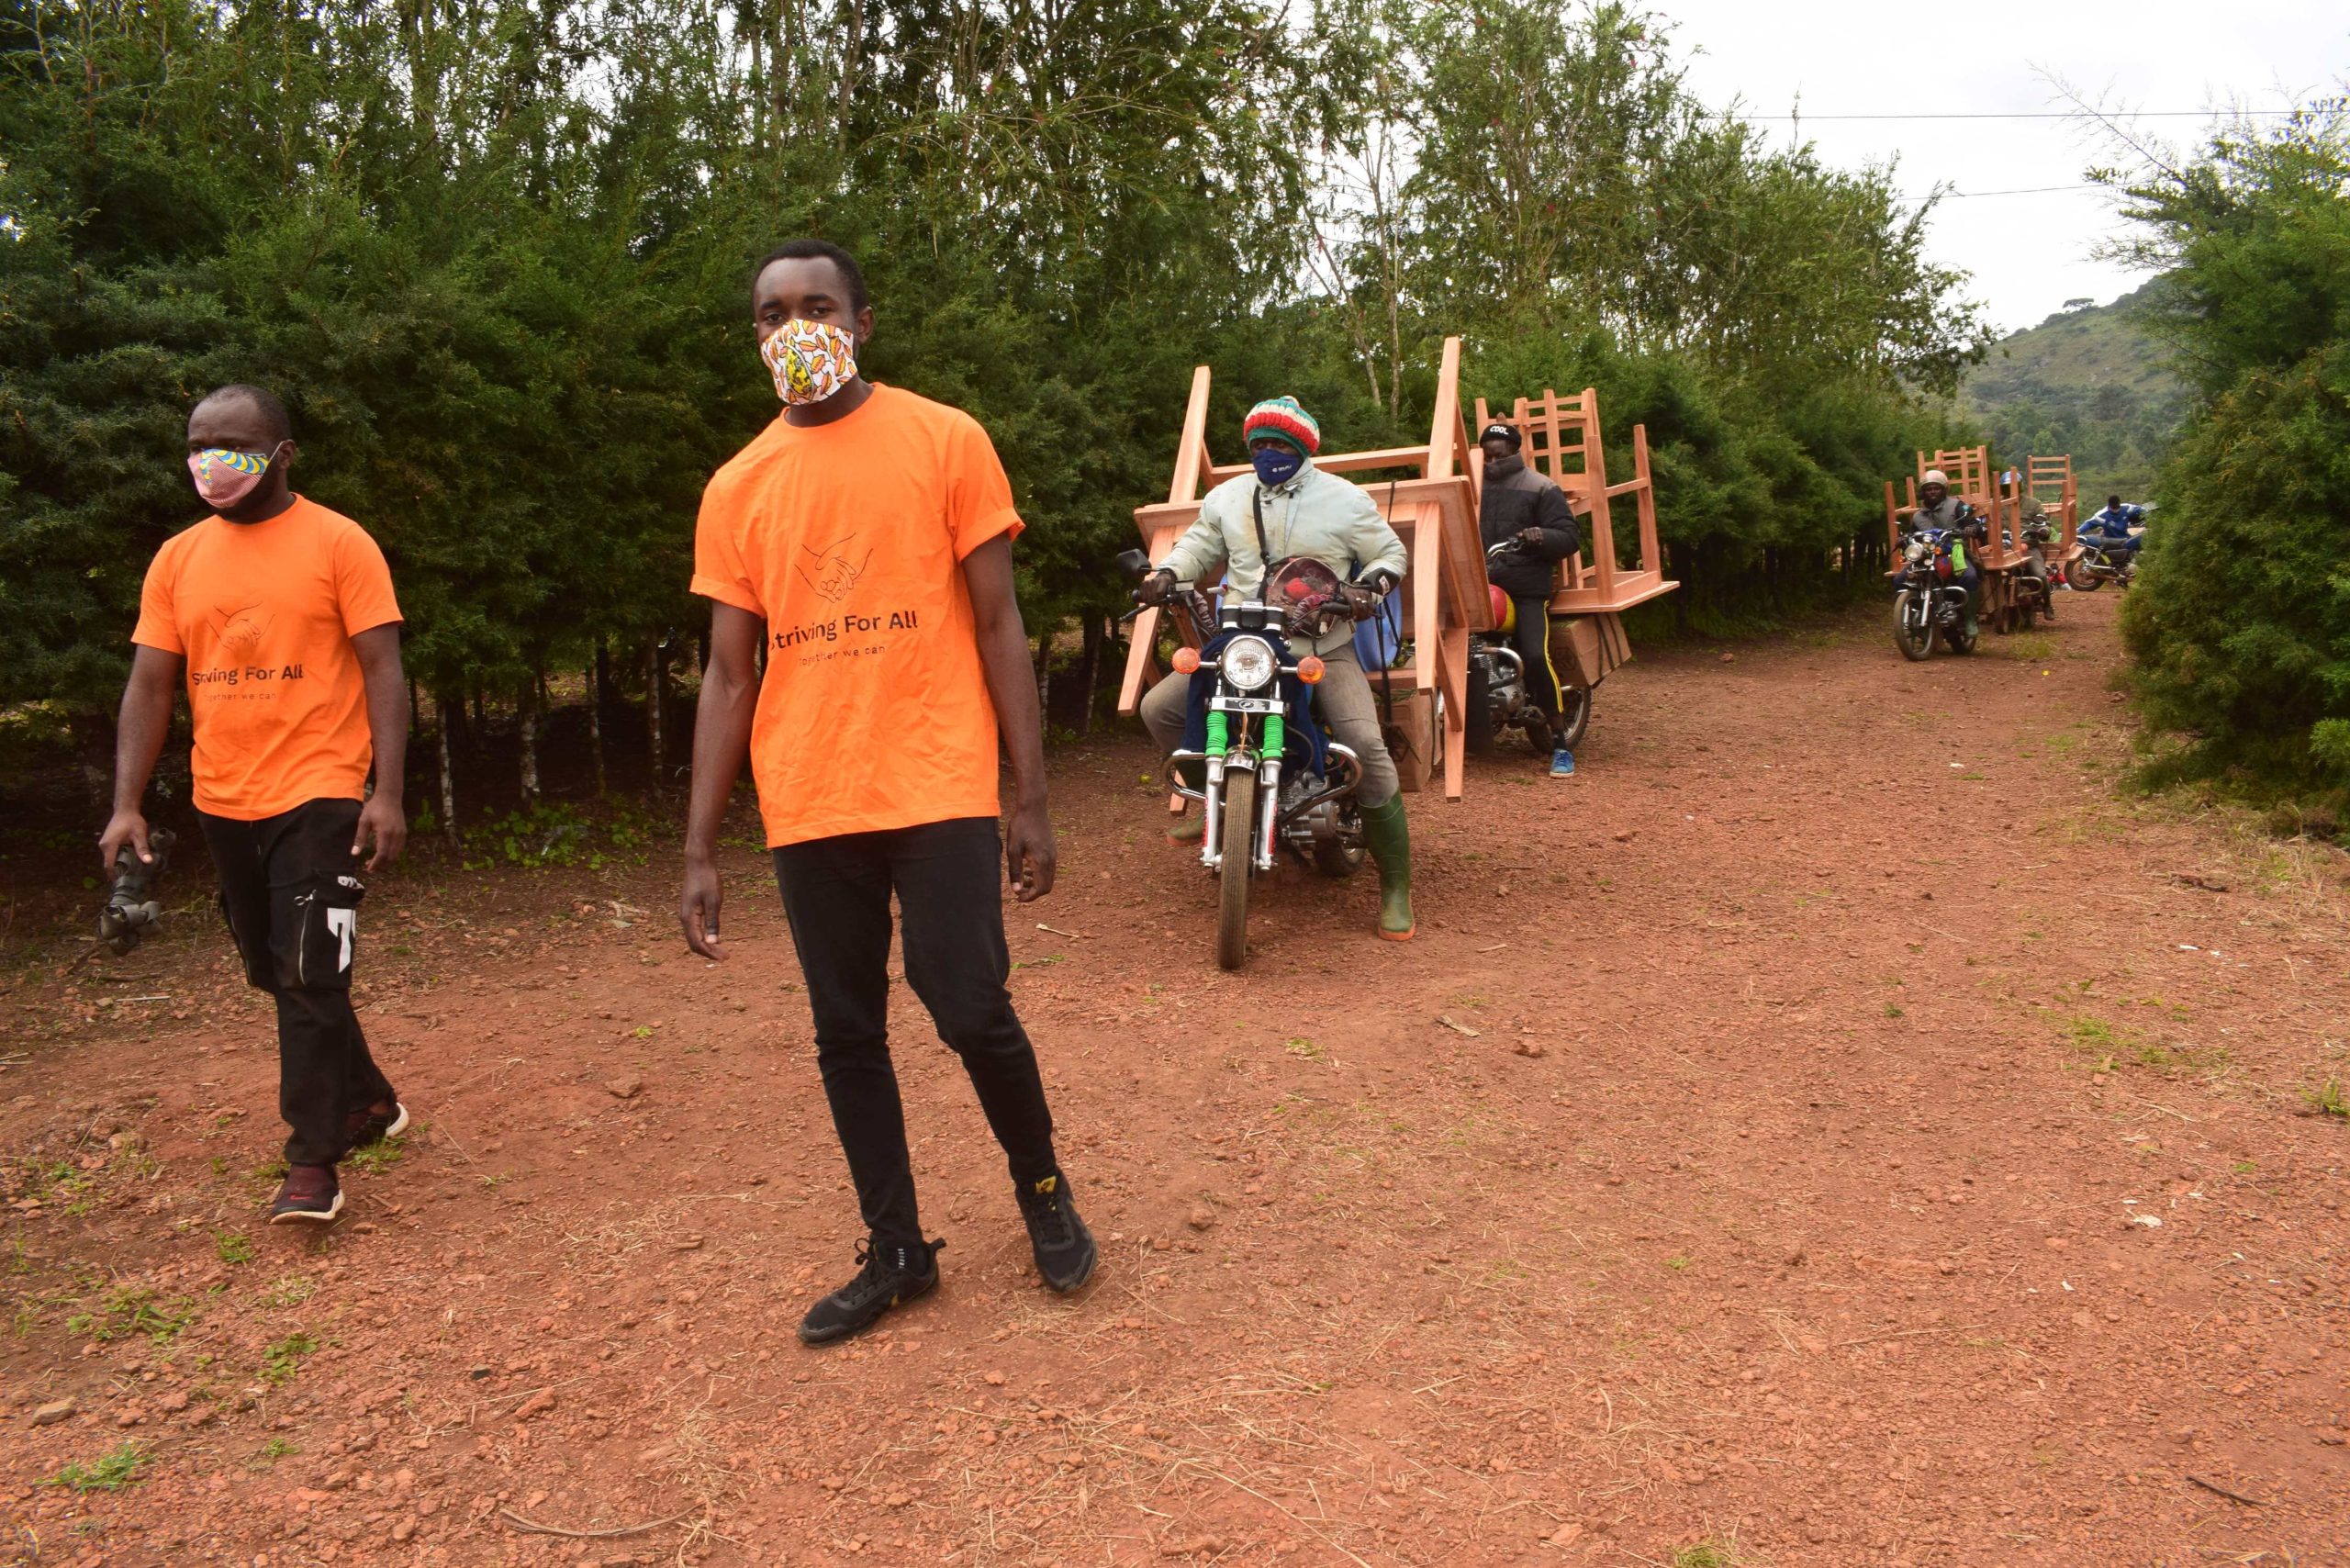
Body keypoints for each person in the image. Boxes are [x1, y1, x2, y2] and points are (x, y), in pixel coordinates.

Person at [679, 238, 1095, 1347]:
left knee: (969, 1005)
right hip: (810, 794)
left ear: (862, 323)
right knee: (846, 1031)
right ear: (755, 335)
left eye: (818, 307)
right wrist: (699, 851)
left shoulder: (944, 439)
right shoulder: (738, 486)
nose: (795, 328)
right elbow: (728, 674)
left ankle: (1042, 1188)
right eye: (773, 313)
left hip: (935, 774)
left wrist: (1030, 795)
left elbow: (999, 623)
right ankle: (897, 1248)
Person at [100, 385, 410, 1226]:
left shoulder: (339, 542)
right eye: (198, 445)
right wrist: (127, 804)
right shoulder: (177, 559)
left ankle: (313, 1163)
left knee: (309, 971)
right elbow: (150, 683)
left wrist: (385, 790)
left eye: (232, 445)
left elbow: (383, 668)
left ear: (282, 453)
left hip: (320, 788)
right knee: (275, 969)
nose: (211, 461)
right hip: (224, 795)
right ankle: (368, 1098)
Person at [1135, 396, 1416, 940]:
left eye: (1279, 444)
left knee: (1365, 744)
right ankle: (1214, 800)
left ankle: (1395, 887)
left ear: (1302, 447)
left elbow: (1390, 554)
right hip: (1243, 644)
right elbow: (1197, 547)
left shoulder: (1345, 499)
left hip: (1321, 647)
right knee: (1159, 709)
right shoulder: (1227, 497)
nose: (1268, 453)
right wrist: (1166, 574)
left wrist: (1366, 588)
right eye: (1259, 444)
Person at [1475, 421, 1580, 777]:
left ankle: (1560, 741)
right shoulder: (1471, 486)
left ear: (1514, 451)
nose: (1492, 461)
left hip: (1526, 588)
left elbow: (1569, 537)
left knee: (1535, 654)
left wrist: (1541, 536)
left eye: (1498, 455)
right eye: (1486, 455)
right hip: (1478, 586)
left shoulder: (1540, 486)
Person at [1902, 468, 1986, 641]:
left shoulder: (1957, 506)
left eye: (1936, 488)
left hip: (1954, 553)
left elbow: (1974, 524)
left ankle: (1970, 619)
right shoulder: (1918, 516)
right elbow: (1911, 535)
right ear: (1923, 492)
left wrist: (1972, 528)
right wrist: (1903, 538)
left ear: (1944, 489)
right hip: (1926, 557)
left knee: (1969, 577)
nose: (1933, 492)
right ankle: (1913, 616)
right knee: (1899, 580)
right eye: (1929, 489)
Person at [2082, 494, 2145, 560]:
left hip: (2125, 538)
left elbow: (2141, 509)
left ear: (2119, 504)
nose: (2116, 510)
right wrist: (2079, 531)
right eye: (2113, 508)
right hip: (2110, 540)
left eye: (2117, 507)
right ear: (2109, 506)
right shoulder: (2102, 515)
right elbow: (2089, 523)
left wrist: (2149, 515)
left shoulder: (2127, 508)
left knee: (2139, 539)